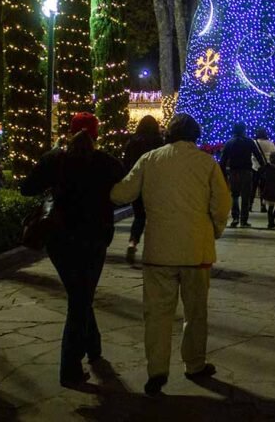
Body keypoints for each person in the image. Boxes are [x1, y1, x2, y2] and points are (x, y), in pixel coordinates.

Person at [110, 113, 231, 397]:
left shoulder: (150, 160)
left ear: (169, 134)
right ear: (195, 135)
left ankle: (157, 371)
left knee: (157, 315)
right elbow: (222, 203)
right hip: (196, 250)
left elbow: (121, 194)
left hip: (159, 252)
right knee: (196, 312)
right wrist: (214, 229)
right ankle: (194, 364)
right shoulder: (206, 163)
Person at [21, 112, 125, 389]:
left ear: (70, 132)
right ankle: (69, 368)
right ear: (97, 134)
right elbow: (125, 192)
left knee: (79, 293)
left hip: (60, 240)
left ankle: (93, 345)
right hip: (94, 237)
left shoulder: (54, 159)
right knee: (80, 298)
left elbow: (26, 189)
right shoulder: (106, 162)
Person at [123, 115, 164, 264]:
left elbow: (126, 163)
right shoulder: (158, 141)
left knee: (139, 216)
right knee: (155, 217)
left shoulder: (133, 141)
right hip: (154, 184)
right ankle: (155, 250)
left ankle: (132, 243)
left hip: (138, 183)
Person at [219, 122, 264, 227]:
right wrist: (262, 168)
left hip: (234, 172)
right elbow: (258, 156)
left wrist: (224, 175)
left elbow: (223, 161)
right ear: (244, 130)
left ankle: (235, 218)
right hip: (247, 171)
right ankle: (244, 220)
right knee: (245, 197)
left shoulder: (229, 143)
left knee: (234, 196)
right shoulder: (249, 142)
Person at [250, 128, 275, 213]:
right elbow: (274, 154)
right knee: (263, 188)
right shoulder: (270, 143)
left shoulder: (254, 143)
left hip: (255, 167)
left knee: (253, 187)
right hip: (266, 168)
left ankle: (250, 205)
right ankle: (263, 205)